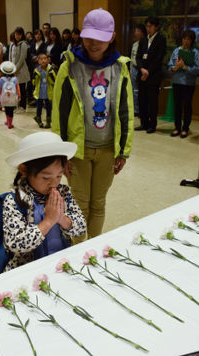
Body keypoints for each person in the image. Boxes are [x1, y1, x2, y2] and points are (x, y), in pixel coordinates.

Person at [51, 8, 133, 241]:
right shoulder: (70, 65)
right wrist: (60, 154)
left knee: (98, 203)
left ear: (112, 36)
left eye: (100, 38)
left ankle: (94, 246)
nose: (93, 43)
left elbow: (126, 110)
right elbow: (59, 111)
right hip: (78, 150)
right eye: (89, 37)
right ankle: (78, 249)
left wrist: (124, 150)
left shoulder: (120, 67)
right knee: (79, 204)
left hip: (108, 149)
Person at [0, 131, 86, 271]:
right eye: (45, 178)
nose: (54, 184)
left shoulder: (63, 193)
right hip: (28, 269)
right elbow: (15, 242)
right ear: (24, 170)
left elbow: (81, 228)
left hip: (61, 262)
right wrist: (49, 221)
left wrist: (62, 218)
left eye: (59, 176)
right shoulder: (14, 200)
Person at [135, 16, 166, 133]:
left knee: (152, 101)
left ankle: (152, 124)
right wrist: (141, 69)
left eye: (150, 26)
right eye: (147, 26)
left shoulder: (161, 39)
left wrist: (148, 71)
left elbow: (159, 59)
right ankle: (143, 123)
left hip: (153, 76)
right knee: (141, 100)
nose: (148, 29)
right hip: (142, 75)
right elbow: (138, 57)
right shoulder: (143, 40)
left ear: (156, 27)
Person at [168, 30, 199, 138]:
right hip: (177, 82)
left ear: (192, 41)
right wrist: (176, 67)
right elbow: (169, 67)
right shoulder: (176, 51)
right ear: (182, 39)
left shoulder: (195, 52)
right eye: (184, 39)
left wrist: (185, 67)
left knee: (187, 106)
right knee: (177, 105)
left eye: (189, 39)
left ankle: (185, 128)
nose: (186, 41)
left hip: (188, 83)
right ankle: (177, 127)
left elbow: (198, 69)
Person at [9, 27, 30, 111]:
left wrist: (16, 69)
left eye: (19, 34)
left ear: (22, 35)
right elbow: (10, 57)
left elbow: (22, 59)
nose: (17, 36)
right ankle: (15, 105)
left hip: (21, 70)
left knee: (21, 89)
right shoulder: (12, 44)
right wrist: (11, 68)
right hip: (12, 70)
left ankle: (22, 106)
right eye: (16, 34)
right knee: (13, 89)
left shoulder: (23, 44)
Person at [33, 53, 56, 128]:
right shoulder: (36, 70)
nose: (43, 60)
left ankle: (48, 121)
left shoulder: (51, 70)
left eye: (45, 58)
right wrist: (35, 77)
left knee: (48, 107)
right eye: (41, 59)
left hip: (48, 92)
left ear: (48, 60)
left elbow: (54, 81)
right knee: (39, 107)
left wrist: (51, 76)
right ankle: (39, 119)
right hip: (39, 92)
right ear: (38, 61)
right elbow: (34, 83)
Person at [0, 61, 20, 129]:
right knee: (11, 111)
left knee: (7, 110)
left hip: (5, 98)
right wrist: (19, 96)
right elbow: (18, 88)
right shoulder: (15, 79)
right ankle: (10, 123)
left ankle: (7, 121)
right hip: (12, 98)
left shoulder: (1, 79)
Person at [130, 24, 145, 118]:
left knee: (140, 91)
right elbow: (131, 58)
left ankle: (140, 110)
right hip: (133, 68)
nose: (135, 33)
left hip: (141, 69)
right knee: (133, 90)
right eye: (135, 31)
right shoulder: (134, 44)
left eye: (137, 31)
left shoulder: (145, 44)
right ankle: (135, 109)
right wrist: (130, 70)